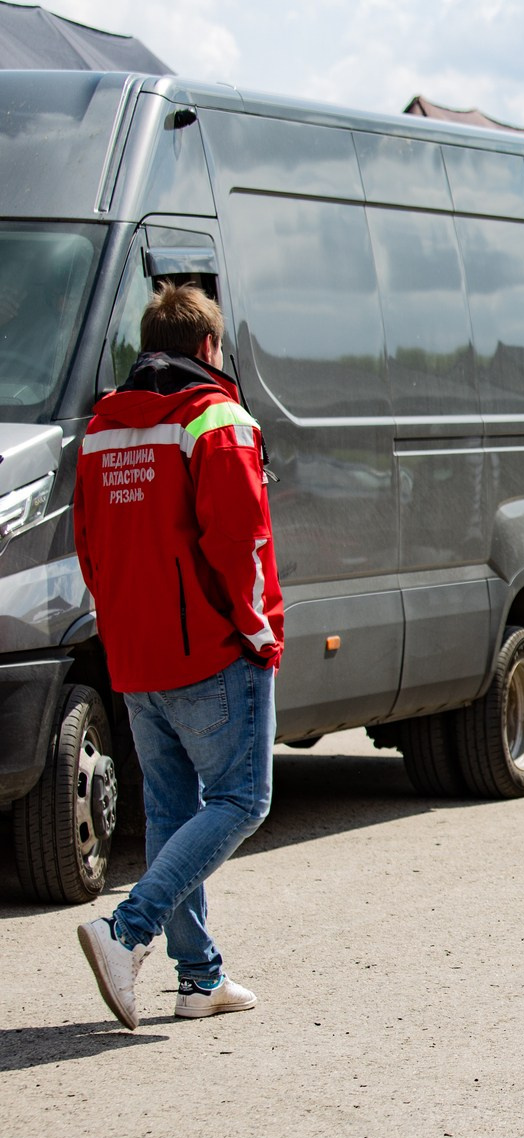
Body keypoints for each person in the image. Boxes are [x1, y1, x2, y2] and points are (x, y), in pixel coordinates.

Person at [73, 282, 282, 1028]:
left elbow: (89, 548)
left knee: (172, 811)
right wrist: (261, 632)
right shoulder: (216, 419)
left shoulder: (101, 428)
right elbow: (241, 544)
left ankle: (199, 977)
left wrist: (122, 626)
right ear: (207, 348)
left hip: (135, 654)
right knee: (241, 800)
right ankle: (126, 930)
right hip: (212, 652)